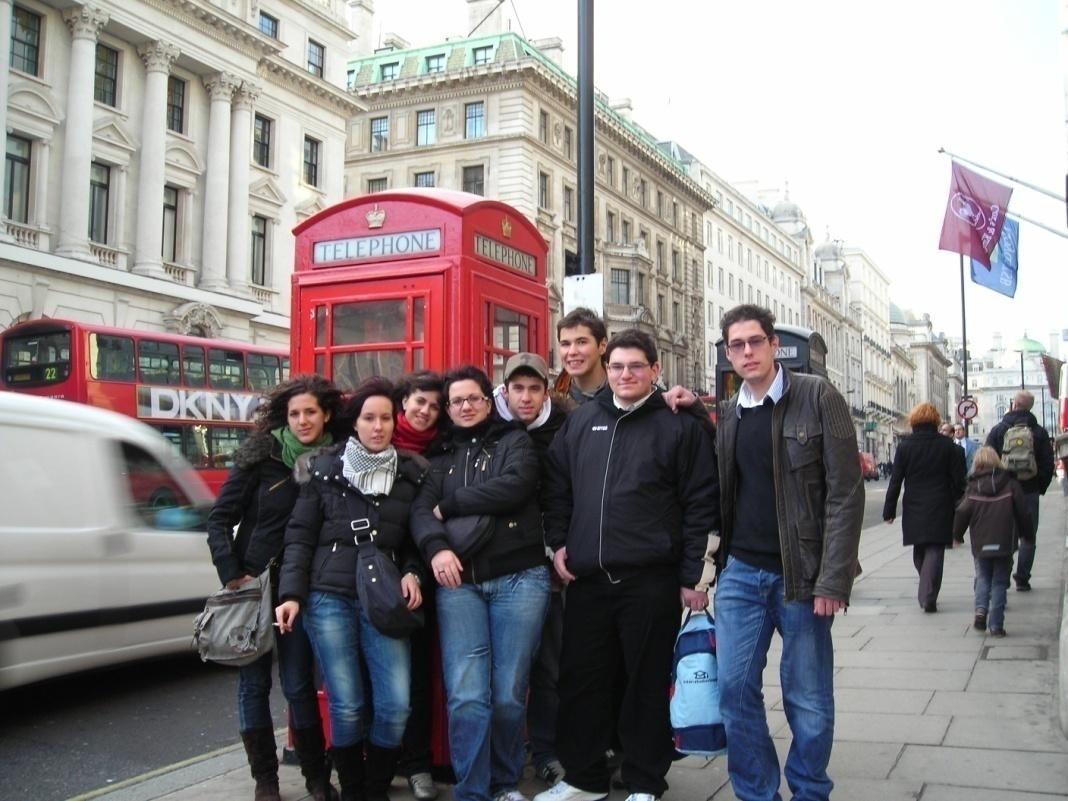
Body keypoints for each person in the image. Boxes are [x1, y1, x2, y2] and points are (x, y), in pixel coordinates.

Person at [536, 329, 719, 801]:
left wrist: (696, 578)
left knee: (644, 686)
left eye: (636, 366)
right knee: (582, 683)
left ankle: (644, 781)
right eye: (616, 367)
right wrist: (557, 543)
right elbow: (556, 487)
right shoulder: (582, 422)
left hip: (650, 579)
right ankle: (584, 779)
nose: (624, 375)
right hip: (589, 579)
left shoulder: (679, 426)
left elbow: (702, 503)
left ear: (655, 371)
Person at [713, 304, 864, 801]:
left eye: (755, 341)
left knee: (808, 699)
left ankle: (808, 790)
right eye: (737, 345)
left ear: (774, 344)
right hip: (741, 573)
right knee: (733, 689)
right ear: (728, 353)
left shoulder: (818, 396)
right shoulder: (731, 413)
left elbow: (845, 492)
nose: (747, 352)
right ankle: (757, 793)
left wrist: (834, 579)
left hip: (804, 574)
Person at [276, 377, 428, 801]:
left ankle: (375, 788)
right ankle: (355, 791)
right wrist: (291, 595)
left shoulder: (411, 474)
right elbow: (300, 537)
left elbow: (418, 540)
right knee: (346, 703)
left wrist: (414, 572)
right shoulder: (323, 469)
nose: (378, 427)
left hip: (384, 596)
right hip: (328, 595)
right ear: (354, 423)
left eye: (385, 418)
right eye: (368, 418)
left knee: (395, 704)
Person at [411, 365, 551, 801]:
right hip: (460, 584)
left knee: (509, 693)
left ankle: (505, 781)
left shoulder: (515, 441)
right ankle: (472, 791)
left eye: (473, 398)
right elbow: (419, 513)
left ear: (489, 402)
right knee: (467, 695)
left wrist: (448, 505)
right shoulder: (436, 459)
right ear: (448, 409)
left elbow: (514, 487)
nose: (465, 406)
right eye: (456, 401)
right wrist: (437, 549)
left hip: (519, 578)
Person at [206, 375, 343, 801]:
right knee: (253, 686)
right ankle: (265, 781)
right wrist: (232, 574)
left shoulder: (335, 461)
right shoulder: (260, 458)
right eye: (294, 414)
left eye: (310, 413)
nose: (302, 421)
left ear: (326, 416)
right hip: (254, 586)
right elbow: (219, 519)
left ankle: (317, 780)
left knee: (300, 685)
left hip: (301, 588)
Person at [493, 352, 571, 787]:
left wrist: (560, 548)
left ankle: (546, 751)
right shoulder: (489, 429)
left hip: (548, 564)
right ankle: (504, 759)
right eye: (517, 388)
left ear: (548, 391)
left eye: (534, 388)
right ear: (505, 391)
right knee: (506, 674)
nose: (525, 397)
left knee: (549, 666)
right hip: (500, 564)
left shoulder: (562, 431)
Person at [391, 371, 446, 801]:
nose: (424, 410)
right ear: (402, 403)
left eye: (433, 404)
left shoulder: (445, 447)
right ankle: (378, 759)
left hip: (426, 573)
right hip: (375, 575)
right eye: (417, 402)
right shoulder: (374, 444)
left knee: (420, 676)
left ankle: (417, 761)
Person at [884, 401, 966, 612]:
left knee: (920, 549)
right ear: (936, 421)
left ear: (914, 421)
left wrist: (890, 511)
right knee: (935, 549)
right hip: (941, 504)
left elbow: (896, 480)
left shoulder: (905, 447)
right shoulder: (949, 447)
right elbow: (959, 481)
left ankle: (927, 591)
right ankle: (928, 590)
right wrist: (959, 503)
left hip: (914, 505)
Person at [953, 446, 1033, 637]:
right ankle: (996, 625)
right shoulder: (1010, 483)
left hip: (981, 542)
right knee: (999, 582)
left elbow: (962, 511)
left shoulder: (973, 486)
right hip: (1005, 540)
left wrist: (957, 535)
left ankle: (981, 609)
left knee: (983, 577)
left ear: (977, 463)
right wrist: (1027, 534)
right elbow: (1023, 512)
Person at [985, 390, 1055, 591]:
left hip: (1004, 490)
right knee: (1028, 536)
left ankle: (1003, 577)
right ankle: (1022, 578)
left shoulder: (998, 430)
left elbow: (988, 460)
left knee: (1005, 535)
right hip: (1029, 490)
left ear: (1013, 405)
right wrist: (1039, 486)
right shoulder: (1039, 432)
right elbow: (1048, 464)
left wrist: (994, 486)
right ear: (1030, 407)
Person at [552, 307, 608, 405]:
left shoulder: (625, 396)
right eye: (565, 344)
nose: (572, 352)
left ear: (602, 346)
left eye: (581, 342)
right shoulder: (549, 404)